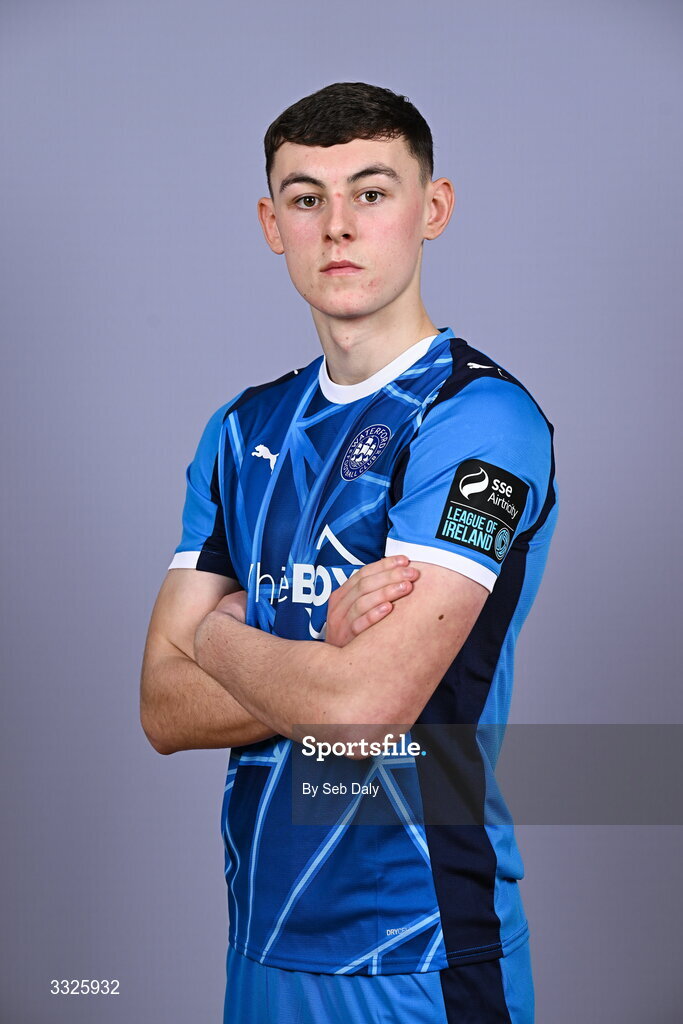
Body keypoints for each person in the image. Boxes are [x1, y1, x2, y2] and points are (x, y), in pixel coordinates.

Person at [140, 81, 558, 1024]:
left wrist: (212, 637)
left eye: (370, 193)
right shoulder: (241, 428)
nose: (337, 227)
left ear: (431, 209)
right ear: (270, 221)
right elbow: (159, 709)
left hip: (417, 948)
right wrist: (321, 655)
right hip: (261, 940)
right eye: (305, 198)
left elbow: (365, 712)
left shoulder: (477, 420)